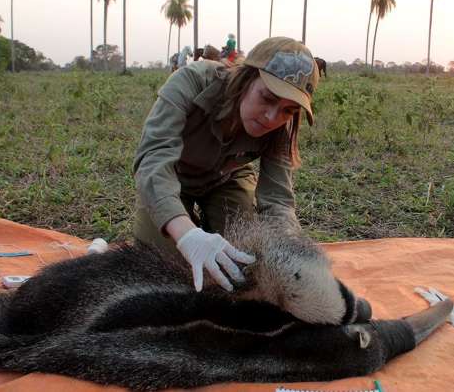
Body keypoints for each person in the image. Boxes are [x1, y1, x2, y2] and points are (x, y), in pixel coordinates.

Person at [133, 36, 319, 293]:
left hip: (227, 179)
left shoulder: (282, 127)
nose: (272, 117)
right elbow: (153, 159)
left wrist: (289, 250)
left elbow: (278, 201)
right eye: (267, 97)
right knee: (157, 266)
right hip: (172, 177)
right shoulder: (191, 82)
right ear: (245, 78)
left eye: (288, 110)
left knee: (243, 261)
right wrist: (187, 235)